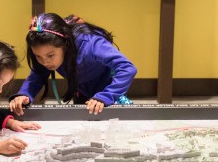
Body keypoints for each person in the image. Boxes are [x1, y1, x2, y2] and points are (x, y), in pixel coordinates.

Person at [9, 13, 137, 116]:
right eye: (38, 56)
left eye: (50, 55)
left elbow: (127, 68)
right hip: (81, 92)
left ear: (66, 45)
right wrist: (24, 94)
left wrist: (105, 96)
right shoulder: (48, 54)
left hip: (108, 92)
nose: (45, 62)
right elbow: (37, 75)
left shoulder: (91, 44)